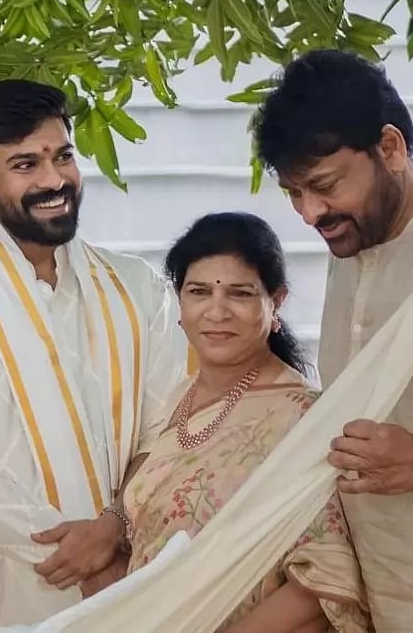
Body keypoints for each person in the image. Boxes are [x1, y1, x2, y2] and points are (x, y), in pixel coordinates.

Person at [0, 79, 188, 632]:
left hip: (135, 577)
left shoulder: (138, 289)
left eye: (63, 156)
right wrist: (78, 556)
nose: (53, 180)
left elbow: (171, 428)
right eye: (25, 164)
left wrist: (115, 528)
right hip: (3, 598)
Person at [253, 49, 413, 631]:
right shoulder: (351, 242)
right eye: (293, 193)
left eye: (323, 185)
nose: (309, 213)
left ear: (390, 148)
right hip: (381, 607)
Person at [119, 212, 369, 632]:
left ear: (276, 302)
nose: (217, 311)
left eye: (240, 293)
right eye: (199, 292)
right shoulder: (177, 398)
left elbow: (325, 573)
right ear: (180, 303)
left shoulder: (302, 417)